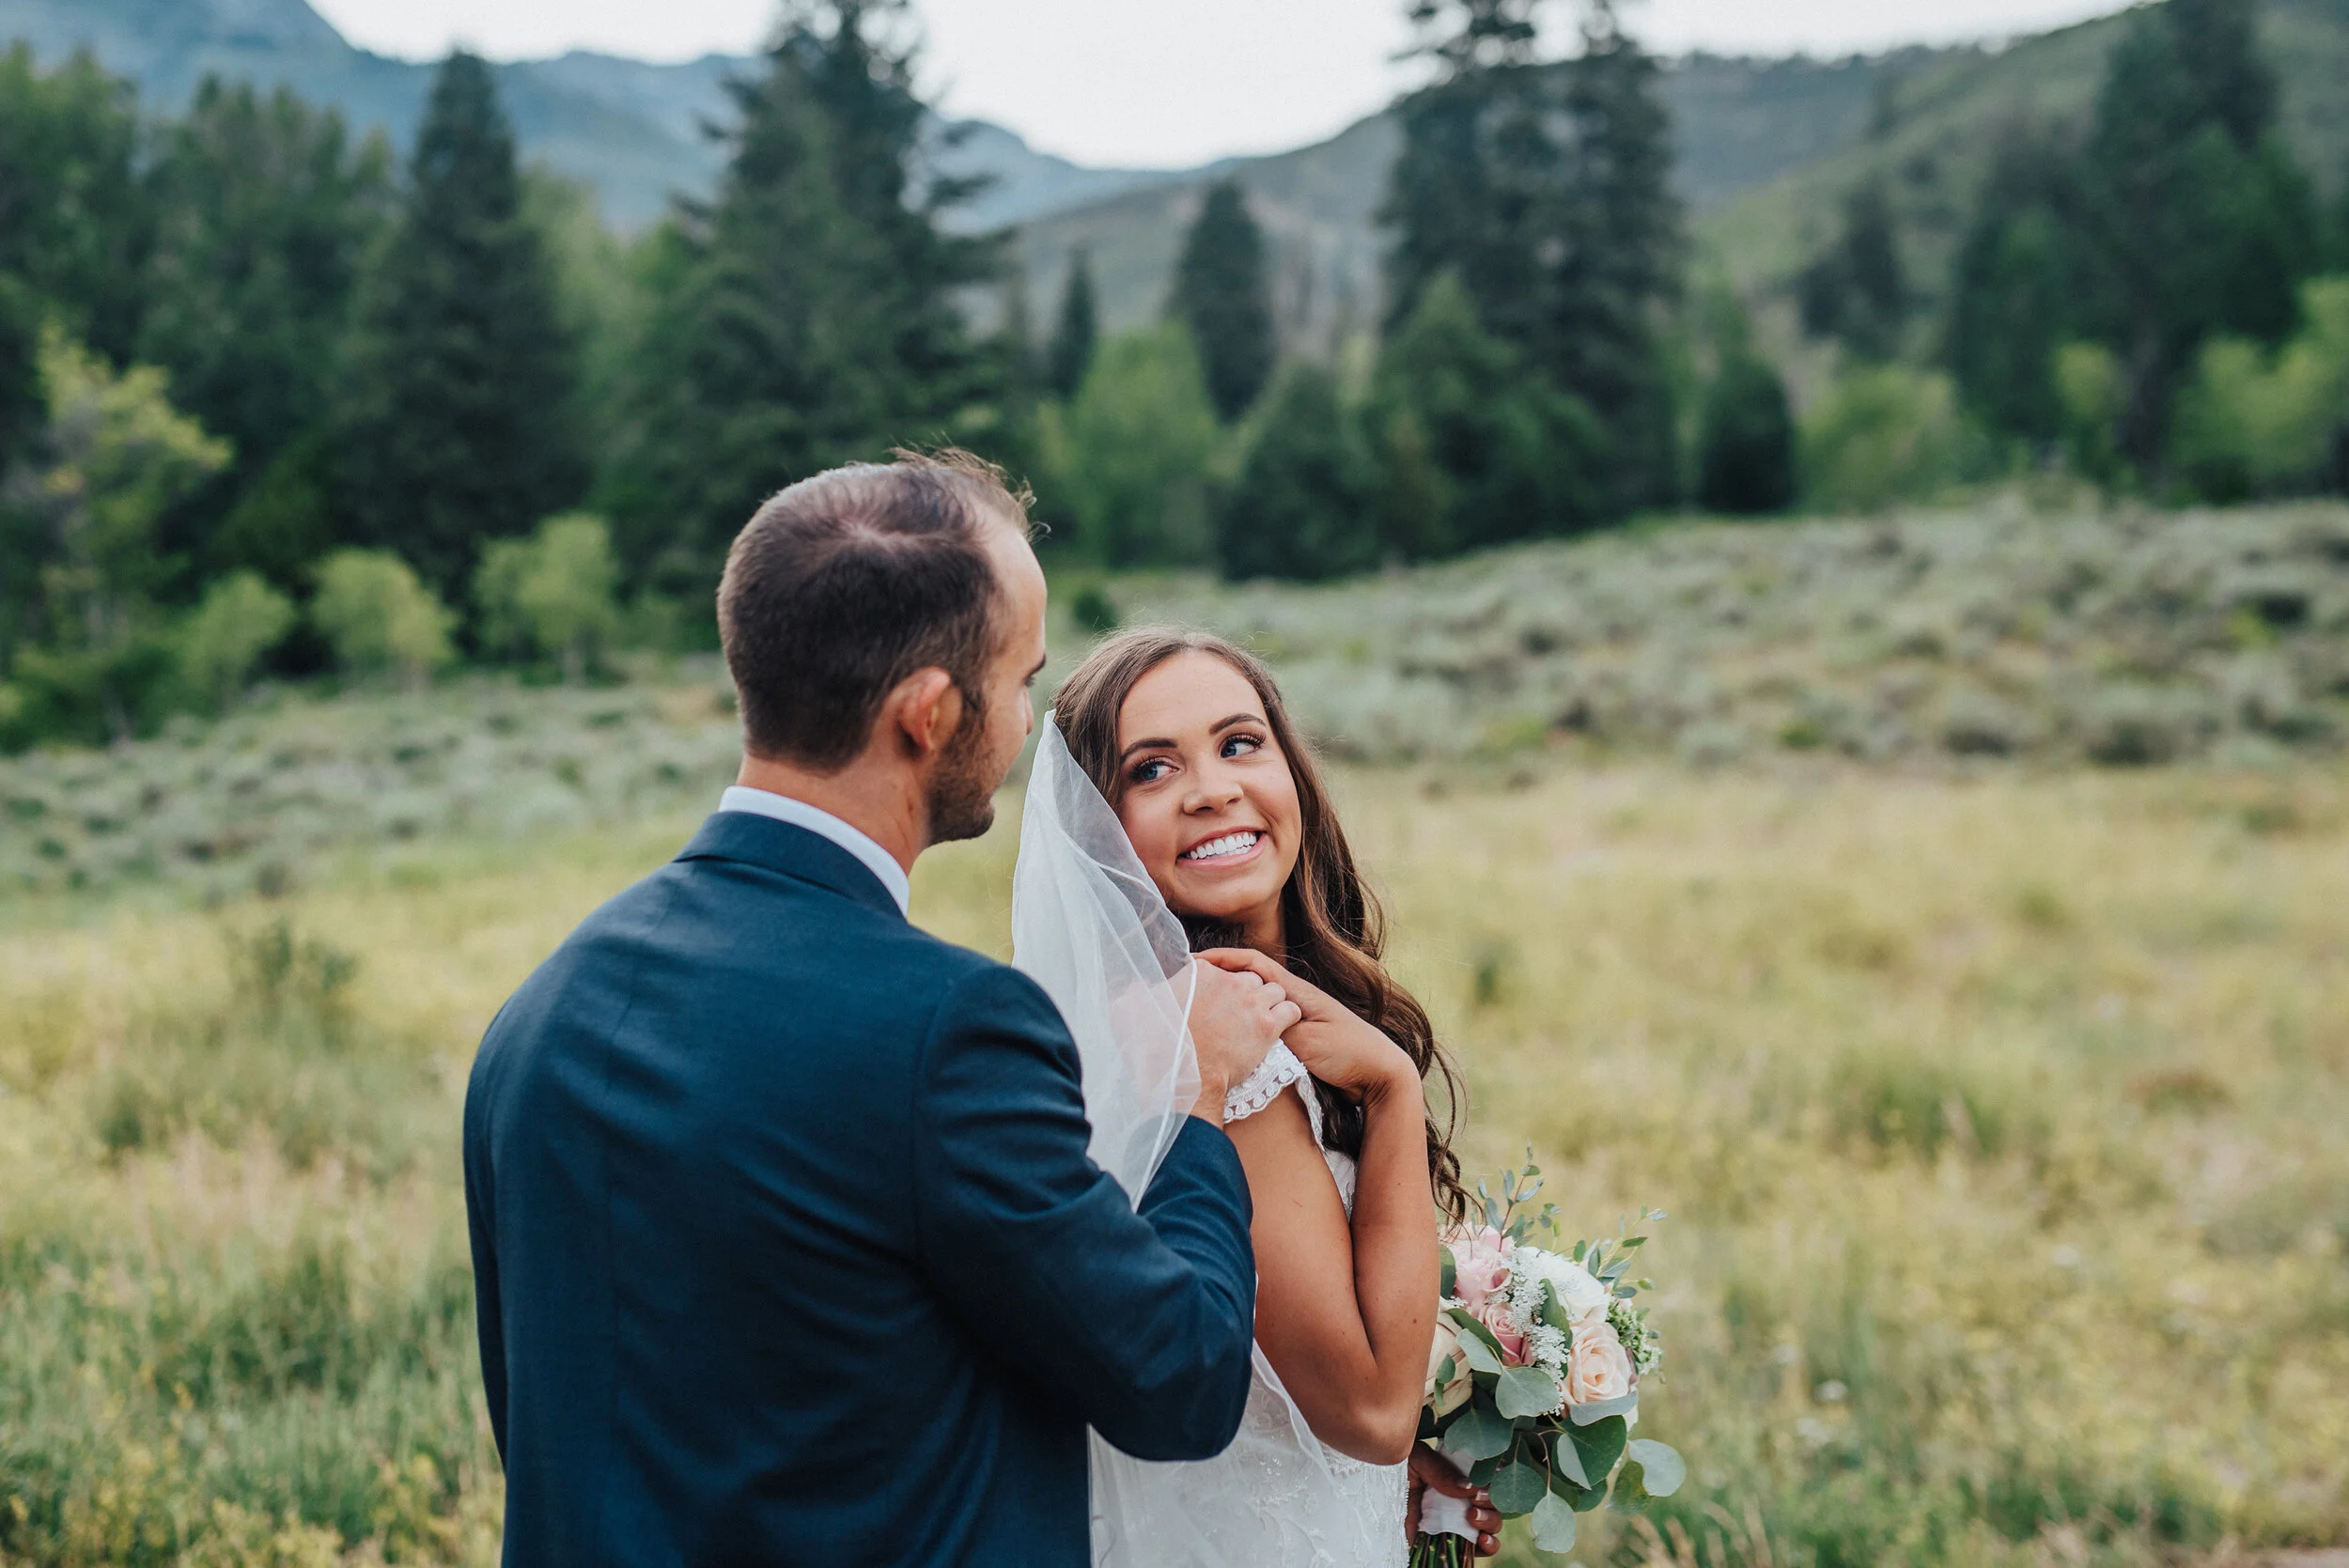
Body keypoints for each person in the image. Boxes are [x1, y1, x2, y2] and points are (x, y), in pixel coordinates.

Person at [462, 452, 1299, 1566]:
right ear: (928, 714)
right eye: (1017, 684)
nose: (1025, 725)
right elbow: (1180, 1382)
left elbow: (552, 1426)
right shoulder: (949, 1034)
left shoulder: (540, 1014)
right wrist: (1189, 1091)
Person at [1020, 629, 1505, 1565]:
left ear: (1292, 767)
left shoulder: (1219, 1015)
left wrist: (1402, 1474)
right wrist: (1395, 1093)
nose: (1210, 787)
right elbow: (1368, 1412)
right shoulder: (1216, 1044)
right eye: (1153, 769)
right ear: (1099, 832)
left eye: (1239, 743)